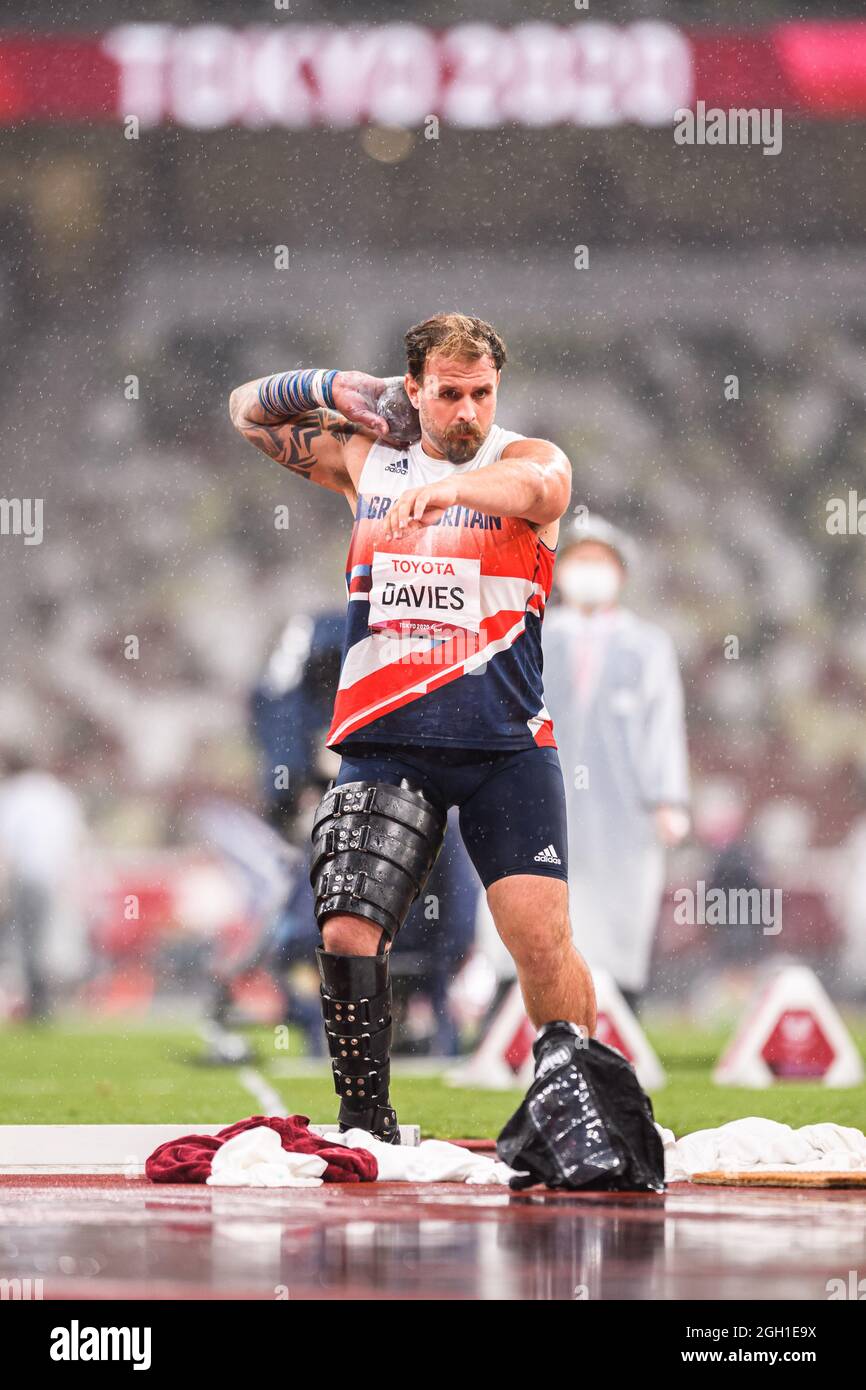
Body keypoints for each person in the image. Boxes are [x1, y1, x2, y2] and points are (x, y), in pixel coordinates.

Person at [230, 312, 596, 1142]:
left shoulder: (526, 459)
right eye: (449, 394)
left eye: (481, 394)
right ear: (415, 391)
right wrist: (331, 390)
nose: (467, 411)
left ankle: (578, 1104)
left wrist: (453, 486)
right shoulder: (366, 459)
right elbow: (246, 411)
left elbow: (543, 494)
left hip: (507, 744)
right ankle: (366, 1121)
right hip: (389, 741)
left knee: (541, 942)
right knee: (346, 923)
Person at [542, 517, 691, 1012]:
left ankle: (620, 1027)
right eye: (579, 561)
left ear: (620, 574)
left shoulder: (647, 645)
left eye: (599, 562)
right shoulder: (536, 636)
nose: (588, 573)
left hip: (622, 812)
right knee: (538, 912)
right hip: (544, 797)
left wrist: (667, 800)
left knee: (620, 921)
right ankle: (521, 1032)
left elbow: (662, 726)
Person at [0, 750, 87, 1019]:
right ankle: (42, 998)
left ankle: (37, 1000)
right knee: (40, 939)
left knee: (27, 941)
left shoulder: (14, 794)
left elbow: (8, 844)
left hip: (26, 875)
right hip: (53, 874)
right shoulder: (57, 793)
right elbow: (74, 836)